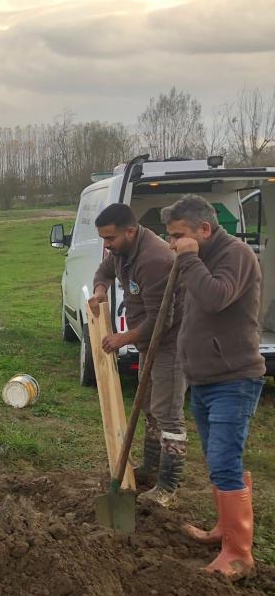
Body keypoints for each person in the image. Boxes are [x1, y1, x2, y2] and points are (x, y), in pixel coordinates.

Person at [162, 194, 266, 578]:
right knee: (217, 459)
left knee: (225, 460)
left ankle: (239, 553)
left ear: (204, 229)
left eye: (179, 235)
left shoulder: (235, 255)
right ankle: (225, 529)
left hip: (234, 378)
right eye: (171, 237)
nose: (173, 244)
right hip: (204, 379)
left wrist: (188, 258)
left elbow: (216, 298)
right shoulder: (199, 259)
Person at [89, 203, 187, 506]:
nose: (106, 245)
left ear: (130, 231)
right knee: (148, 404)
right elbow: (104, 270)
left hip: (170, 344)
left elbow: (161, 320)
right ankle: (150, 466)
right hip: (148, 345)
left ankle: (168, 486)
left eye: (110, 238)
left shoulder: (154, 259)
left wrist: (122, 338)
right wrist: (100, 290)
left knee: (168, 413)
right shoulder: (122, 252)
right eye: (103, 239)